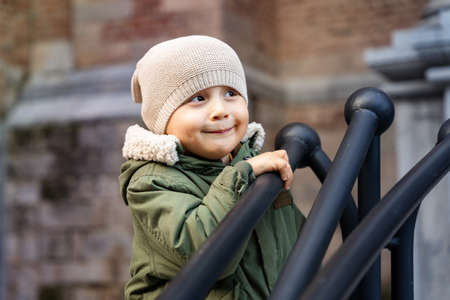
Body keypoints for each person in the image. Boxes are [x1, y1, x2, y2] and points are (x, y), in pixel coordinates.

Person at [119, 35, 305, 300]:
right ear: (163, 119)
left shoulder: (250, 162)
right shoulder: (151, 182)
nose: (220, 110)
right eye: (198, 98)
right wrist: (241, 176)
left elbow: (295, 241)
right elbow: (206, 255)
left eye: (231, 93)